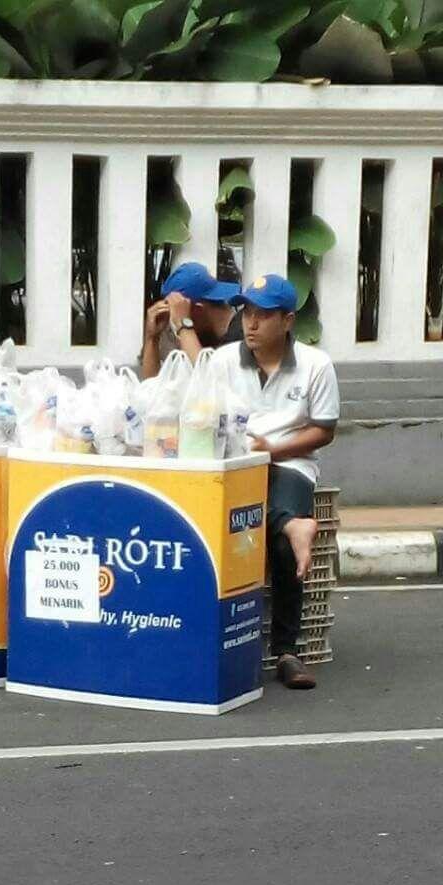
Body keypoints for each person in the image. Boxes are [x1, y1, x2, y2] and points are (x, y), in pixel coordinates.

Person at [211, 275, 339, 691]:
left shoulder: (316, 365)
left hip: (291, 462)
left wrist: (272, 451)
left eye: (263, 315)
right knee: (227, 523)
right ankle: (290, 521)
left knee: (283, 548)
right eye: (246, 312)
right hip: (234, 461)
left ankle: (287, 651)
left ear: (287, 321)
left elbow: (324, 430)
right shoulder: (225, 360)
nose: (250, 323)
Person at [141, 261, 243, 380]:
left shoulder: (243, 334)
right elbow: (152, 388)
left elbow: (210, 381)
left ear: (197, 310)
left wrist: (183, 324)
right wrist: (152, 338)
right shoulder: (203, 336)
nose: (172, 324)